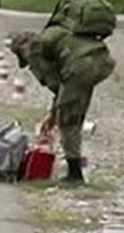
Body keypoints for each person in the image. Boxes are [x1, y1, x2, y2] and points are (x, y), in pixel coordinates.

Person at [10, 12, 116, 186]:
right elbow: (62, 89)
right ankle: (76, 168)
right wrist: (52, 113)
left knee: (67, 120)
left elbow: (56, 85)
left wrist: (53, 116)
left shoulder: (33, 49)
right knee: (75, 111)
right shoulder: (53, 34)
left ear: (22, 48)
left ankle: (75, 175)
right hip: (102, 61)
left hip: (79, 67)